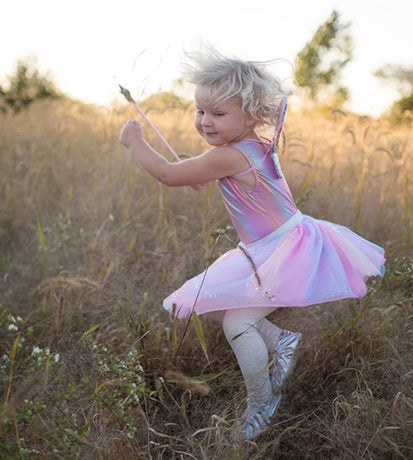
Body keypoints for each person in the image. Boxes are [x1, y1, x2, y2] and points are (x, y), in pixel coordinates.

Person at [119, 48, 385, 441]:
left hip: (282, 249)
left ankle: (263, 402)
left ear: (251, 115)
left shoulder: (228, 155)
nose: (205, 121)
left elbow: (170, 175)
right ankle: (282, 341)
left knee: (236, 320)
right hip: (280, 243)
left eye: (218, 114)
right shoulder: (252, 146)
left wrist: (135, 142)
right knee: (210, 300)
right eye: (200, 111)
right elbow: (201, 173)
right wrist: (197, 172)